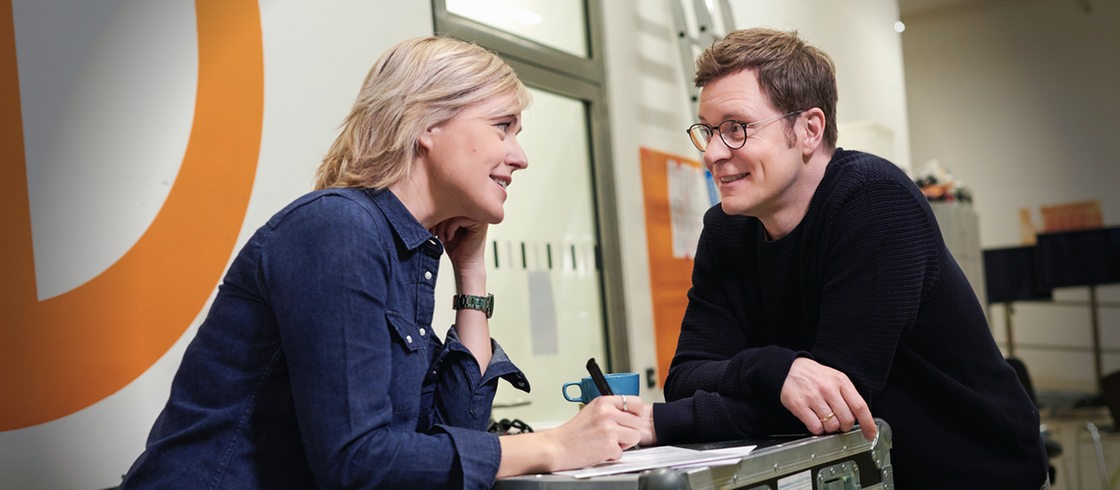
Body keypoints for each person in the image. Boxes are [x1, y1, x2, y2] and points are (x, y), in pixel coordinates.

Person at [120, 36, 642, 489]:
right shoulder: (337, 229)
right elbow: (357, 462)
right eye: (503, 126)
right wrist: (551, 446)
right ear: (427, 123)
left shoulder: (407, 250)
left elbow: (459, 425)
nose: (520, 156)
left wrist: (472, 275)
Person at [638, 28, 1048, 488]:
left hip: (978, 474)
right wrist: (776, 370)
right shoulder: (726, 230)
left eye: (736, 129)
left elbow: (834, 408)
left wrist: (663, 422)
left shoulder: (875, 202)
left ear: (809, 129)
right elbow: (687, 377)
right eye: (708, 131)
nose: (713, 153)